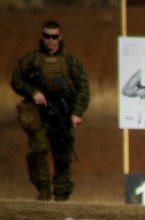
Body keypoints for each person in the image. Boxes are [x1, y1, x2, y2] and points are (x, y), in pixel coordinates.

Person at [11, 20, 90, 201]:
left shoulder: (69, 62)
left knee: (63, 155)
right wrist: (33, 92)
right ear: (42, 37)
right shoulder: (32, 60)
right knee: (38, 150)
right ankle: (43, 190)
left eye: (54, 37)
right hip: (39, 114)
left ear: (60, 38)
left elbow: (84, 88)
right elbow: (16, 80)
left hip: (62, 115)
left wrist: (77, 112)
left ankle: (62, 196)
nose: (51, 41)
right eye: (47, 36)